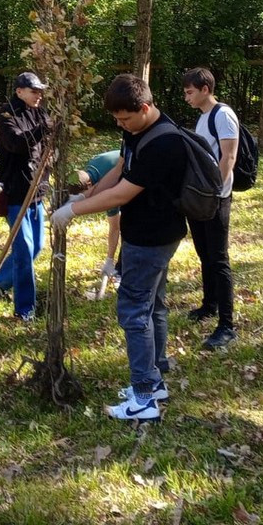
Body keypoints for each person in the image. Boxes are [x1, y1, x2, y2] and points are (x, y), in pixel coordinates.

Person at [50, 74, 188, 422]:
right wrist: (87, 193)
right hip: (143, 234)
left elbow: (126, 192)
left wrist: (74, 210)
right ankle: (154, 383)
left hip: (153, 237)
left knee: (134, 311)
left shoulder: (165, 142)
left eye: (125, 118)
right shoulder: (136, 131)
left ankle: (144, 399)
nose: (120, 125)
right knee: (153, 306)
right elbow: (121, 169)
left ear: (145, 108)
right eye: (117, 120)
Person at [180, 67, 240, 349]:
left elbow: (228, 156)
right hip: (201, 197)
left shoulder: (223, 115)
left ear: (205, 89)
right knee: (204, 253)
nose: (186, 97)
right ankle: (209, 304)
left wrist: (215, 191)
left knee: (218, 258)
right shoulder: (203, 118)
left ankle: (227, 325)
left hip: (215, 197)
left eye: (190, 92)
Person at [0, 71, 55, 321]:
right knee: (24, 251)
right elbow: (17, 144)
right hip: (16, 191)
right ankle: (25, 310)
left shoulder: (39, 111)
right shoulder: (7, 115)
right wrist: (44, 128)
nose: (39, 95)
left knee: (36, 246)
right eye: (34, 91)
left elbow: (47, 145)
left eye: (40, 91)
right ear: (19, 91)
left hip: (37, 190)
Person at [73, 150, 123, 284]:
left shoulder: (108, 185)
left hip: (141, 176)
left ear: (89, 186)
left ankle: (122, 270)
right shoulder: (92, 166)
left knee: (131, 228)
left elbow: (115, 227)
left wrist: (109, 260)